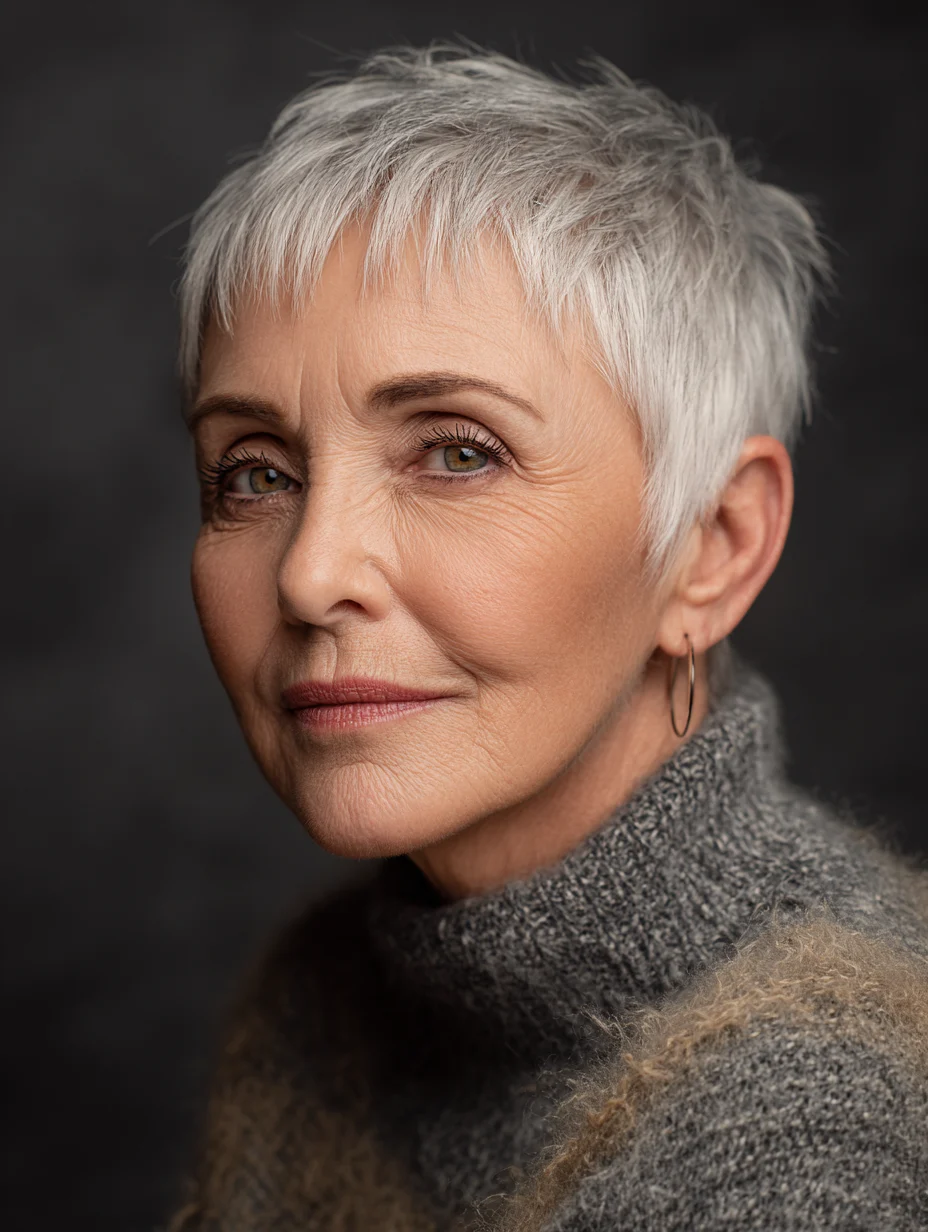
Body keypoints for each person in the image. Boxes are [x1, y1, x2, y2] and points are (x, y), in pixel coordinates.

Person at [168, 43, 928, 1231]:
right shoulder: (319, 1000)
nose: (310, 574)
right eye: (254, 472)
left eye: (456, 452)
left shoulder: (818, 1124)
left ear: (714, 546)